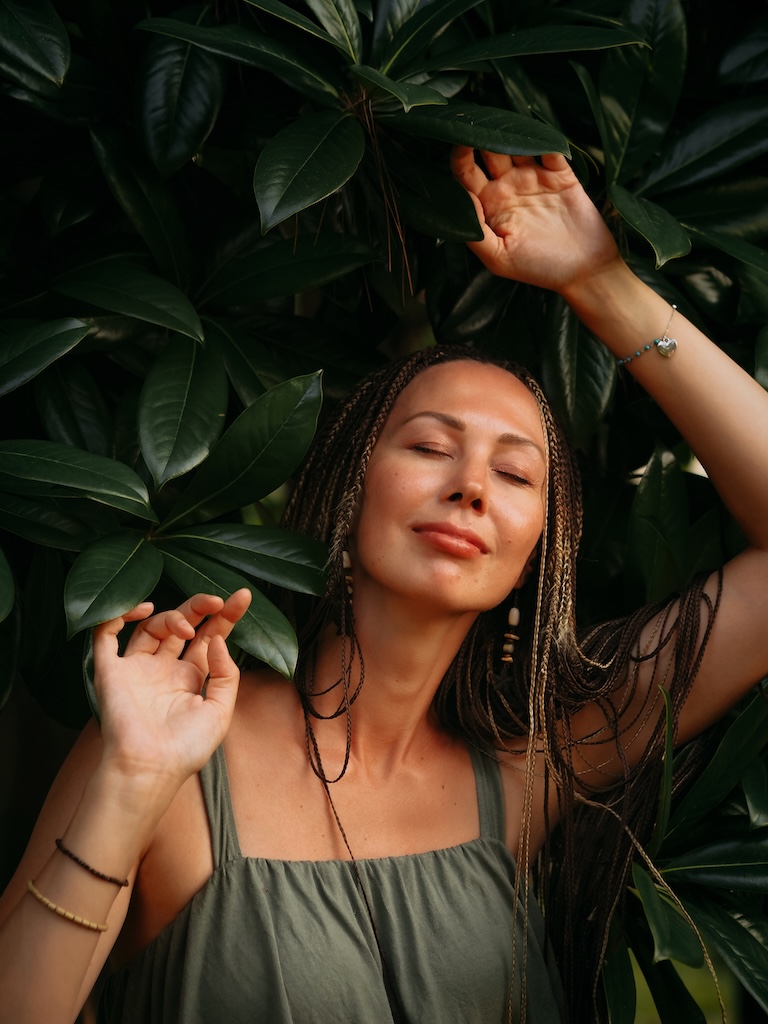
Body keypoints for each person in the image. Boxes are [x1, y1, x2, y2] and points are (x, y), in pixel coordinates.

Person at [2, 146, 768, 1024]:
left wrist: (601, 282)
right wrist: (131, 780)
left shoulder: (531, 772)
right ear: (347, 487)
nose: (473, 484)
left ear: (539, 551)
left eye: (517, 476)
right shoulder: (172, 746)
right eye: (431, 447)